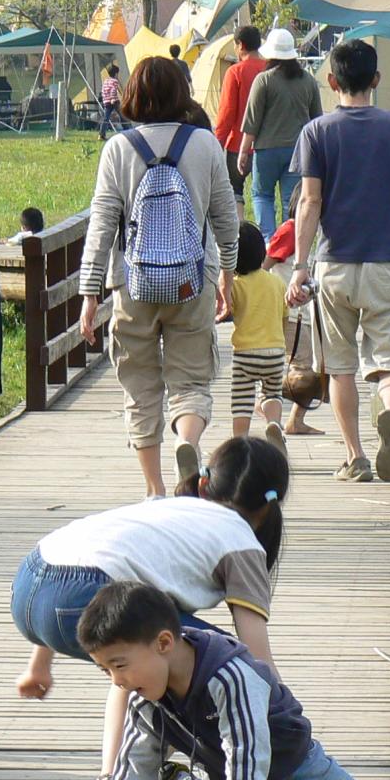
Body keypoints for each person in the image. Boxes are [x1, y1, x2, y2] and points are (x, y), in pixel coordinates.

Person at [11, 436, 290, 780]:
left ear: (205, 484)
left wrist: (39, 663)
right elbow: (256, 658)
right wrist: (289, 726)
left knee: (139, 660)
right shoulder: (241, 543)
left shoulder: (168, 508)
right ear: (269, 508)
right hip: (79, 592)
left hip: (28, 586)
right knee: (200, 660)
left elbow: (80, 560)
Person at [80, 582, 390, 780]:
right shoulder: (145, 697)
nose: (116, 681)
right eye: (105, 671)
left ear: (163, 643)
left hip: (294, 762)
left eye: (119, 665)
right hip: (229, 775)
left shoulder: (229, 677)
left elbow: (247, 750)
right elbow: (135, 761)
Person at [76, 57, 237, 497]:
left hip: (134, 284)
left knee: (140, 385)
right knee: (191, 380)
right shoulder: (204, 144)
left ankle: (154, 489)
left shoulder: (117, 149)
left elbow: (103, 224)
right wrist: (228, 271)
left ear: (131, 97)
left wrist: (90, 293)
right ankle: (187, 442)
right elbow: (226, 216)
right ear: (181, 95)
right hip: (192, 281)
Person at [286, 39, 390, 484]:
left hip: (334, 265)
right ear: (376, 80)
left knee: (342, 367)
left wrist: (300, 265)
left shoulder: (317, 132)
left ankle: (356, 458)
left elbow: (309, 202)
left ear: (331, 82)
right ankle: (388, 412)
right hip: (388, 261)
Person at [237, 28, 321, 241]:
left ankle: (267, 241)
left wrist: (243, 152)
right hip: (297, 150)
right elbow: (316, 121)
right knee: (289, 201)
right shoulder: (308, 81)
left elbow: (252, 122)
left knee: (262, 195)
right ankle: (288, 243)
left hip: (266, 150)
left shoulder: (264, 80)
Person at [229, 222, 290, 450]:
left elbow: (229, 309)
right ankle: (273, 423)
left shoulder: (235, 285)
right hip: (275, 351)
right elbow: (285, 316)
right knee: (272, 393)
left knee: (242, 402)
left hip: (245, 353)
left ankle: (240, 443)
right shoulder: (276, 282)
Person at [263, 211, 321, 438]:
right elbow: (265, 265)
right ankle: (269, 404)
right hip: (291, 314)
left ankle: (294, 419)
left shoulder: (309, 232)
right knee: (304, 369)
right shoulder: (291, 229)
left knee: (310, 368)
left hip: (304, 313)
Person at [212, 26, 266, 207]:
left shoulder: (235, 72)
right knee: (268, 195)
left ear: (240, 45)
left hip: (238, 143)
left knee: (235, 191)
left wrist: (217, 144)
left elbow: (226, 113)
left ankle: (240, 232)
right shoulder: (272, 69)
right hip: (269, 143)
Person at [98, 62, 123, 139]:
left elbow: (103, 91)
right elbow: (113, 90)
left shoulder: (105, 81)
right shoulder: (114, 81)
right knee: (122, 115)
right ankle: (128, 129)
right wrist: (112, 98)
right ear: (115, 74)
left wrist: (105, 99)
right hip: (113, 101)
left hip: (106, 102)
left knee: (106, 118)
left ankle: (101, 134)